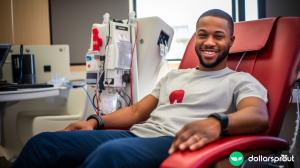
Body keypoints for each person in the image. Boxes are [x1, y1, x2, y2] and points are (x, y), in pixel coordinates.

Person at [13, 9, 268, 168]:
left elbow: (258, 116)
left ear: (231, 41)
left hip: (173, 141)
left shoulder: (240, 81)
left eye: (218, 36)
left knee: (110, 155)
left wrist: (217, 122)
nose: (209, 42)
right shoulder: (174, 76)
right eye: (203, 35)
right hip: (136, 134)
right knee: (44, 143)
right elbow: (136, 112)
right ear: (195, 38)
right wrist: (94, 121)